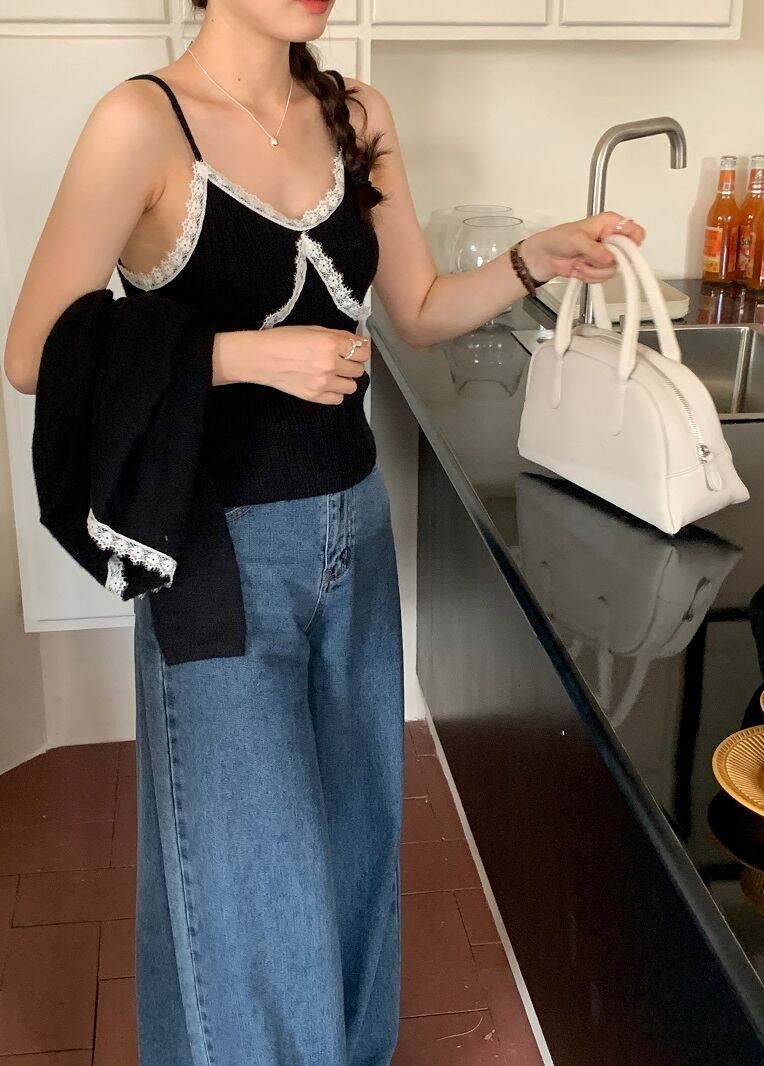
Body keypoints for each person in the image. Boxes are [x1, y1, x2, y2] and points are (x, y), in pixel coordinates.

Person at [2, 1, 645, 1062]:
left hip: (355, 533)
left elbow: (419, 306)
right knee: (251, 885)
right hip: (216, 556)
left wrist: (532, 259)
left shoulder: (358, 114)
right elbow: (36, 352)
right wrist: (238, 356)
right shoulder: (141, 123)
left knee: (355, 855)